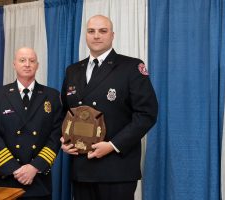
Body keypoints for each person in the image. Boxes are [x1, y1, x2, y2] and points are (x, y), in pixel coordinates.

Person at [61, 15, 158, 200]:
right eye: (91, 31)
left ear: (112, 35)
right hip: (82, 167)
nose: (96, 35)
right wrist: (65, 140)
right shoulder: (73, 70)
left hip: (116, 169)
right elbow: (67, 113)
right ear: (86, 35)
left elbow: (147, 114)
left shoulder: (131, 67)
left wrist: (113, 145)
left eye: (102, 31)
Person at [0, 47, 62, 200]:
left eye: (32, 61)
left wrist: (35, 167)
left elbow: (56, 134)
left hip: (39, 179)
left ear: (37, 65)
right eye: (22, 60)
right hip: (8, 178)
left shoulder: (52, 96)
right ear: (14, 64)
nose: (27, 64)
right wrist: (14, 169)